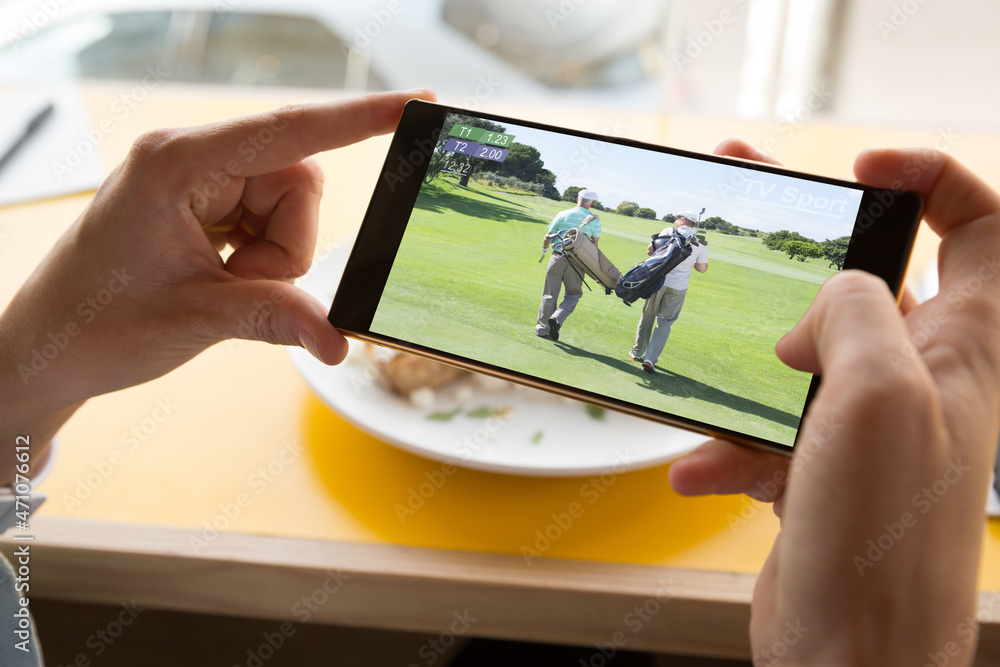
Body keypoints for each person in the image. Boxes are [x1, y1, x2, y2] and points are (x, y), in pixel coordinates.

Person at [0, 87, 998, 667]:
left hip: (650, 296)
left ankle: (614, 349)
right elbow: (587, 254)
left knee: (612, 321)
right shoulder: (594, 224)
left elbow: (648, 267)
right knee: (570, 313)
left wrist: (26, 374)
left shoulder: (661, 240)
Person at [629, 211, 708, 373]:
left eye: (677, 219)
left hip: (657, 281)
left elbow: (650, 251)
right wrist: (691, 261)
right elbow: (702, 268)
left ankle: (637, 353)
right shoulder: (700, 242)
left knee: (648, 315)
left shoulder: (668, 232)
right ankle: (650, 359)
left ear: (684, 220)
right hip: (678, 287)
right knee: (665, 322)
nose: (675, 221)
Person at [534, 189, 601, 341]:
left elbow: (547, 237)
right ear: (592, 203)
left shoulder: (563, 214)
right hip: (577, 262)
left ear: (578, 199)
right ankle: (557, 318)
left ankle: (541, 329)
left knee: (549, 294)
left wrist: (545, 249)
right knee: (573, 294)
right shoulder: (595, 220)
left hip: (556, 258)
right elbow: (594, 246)